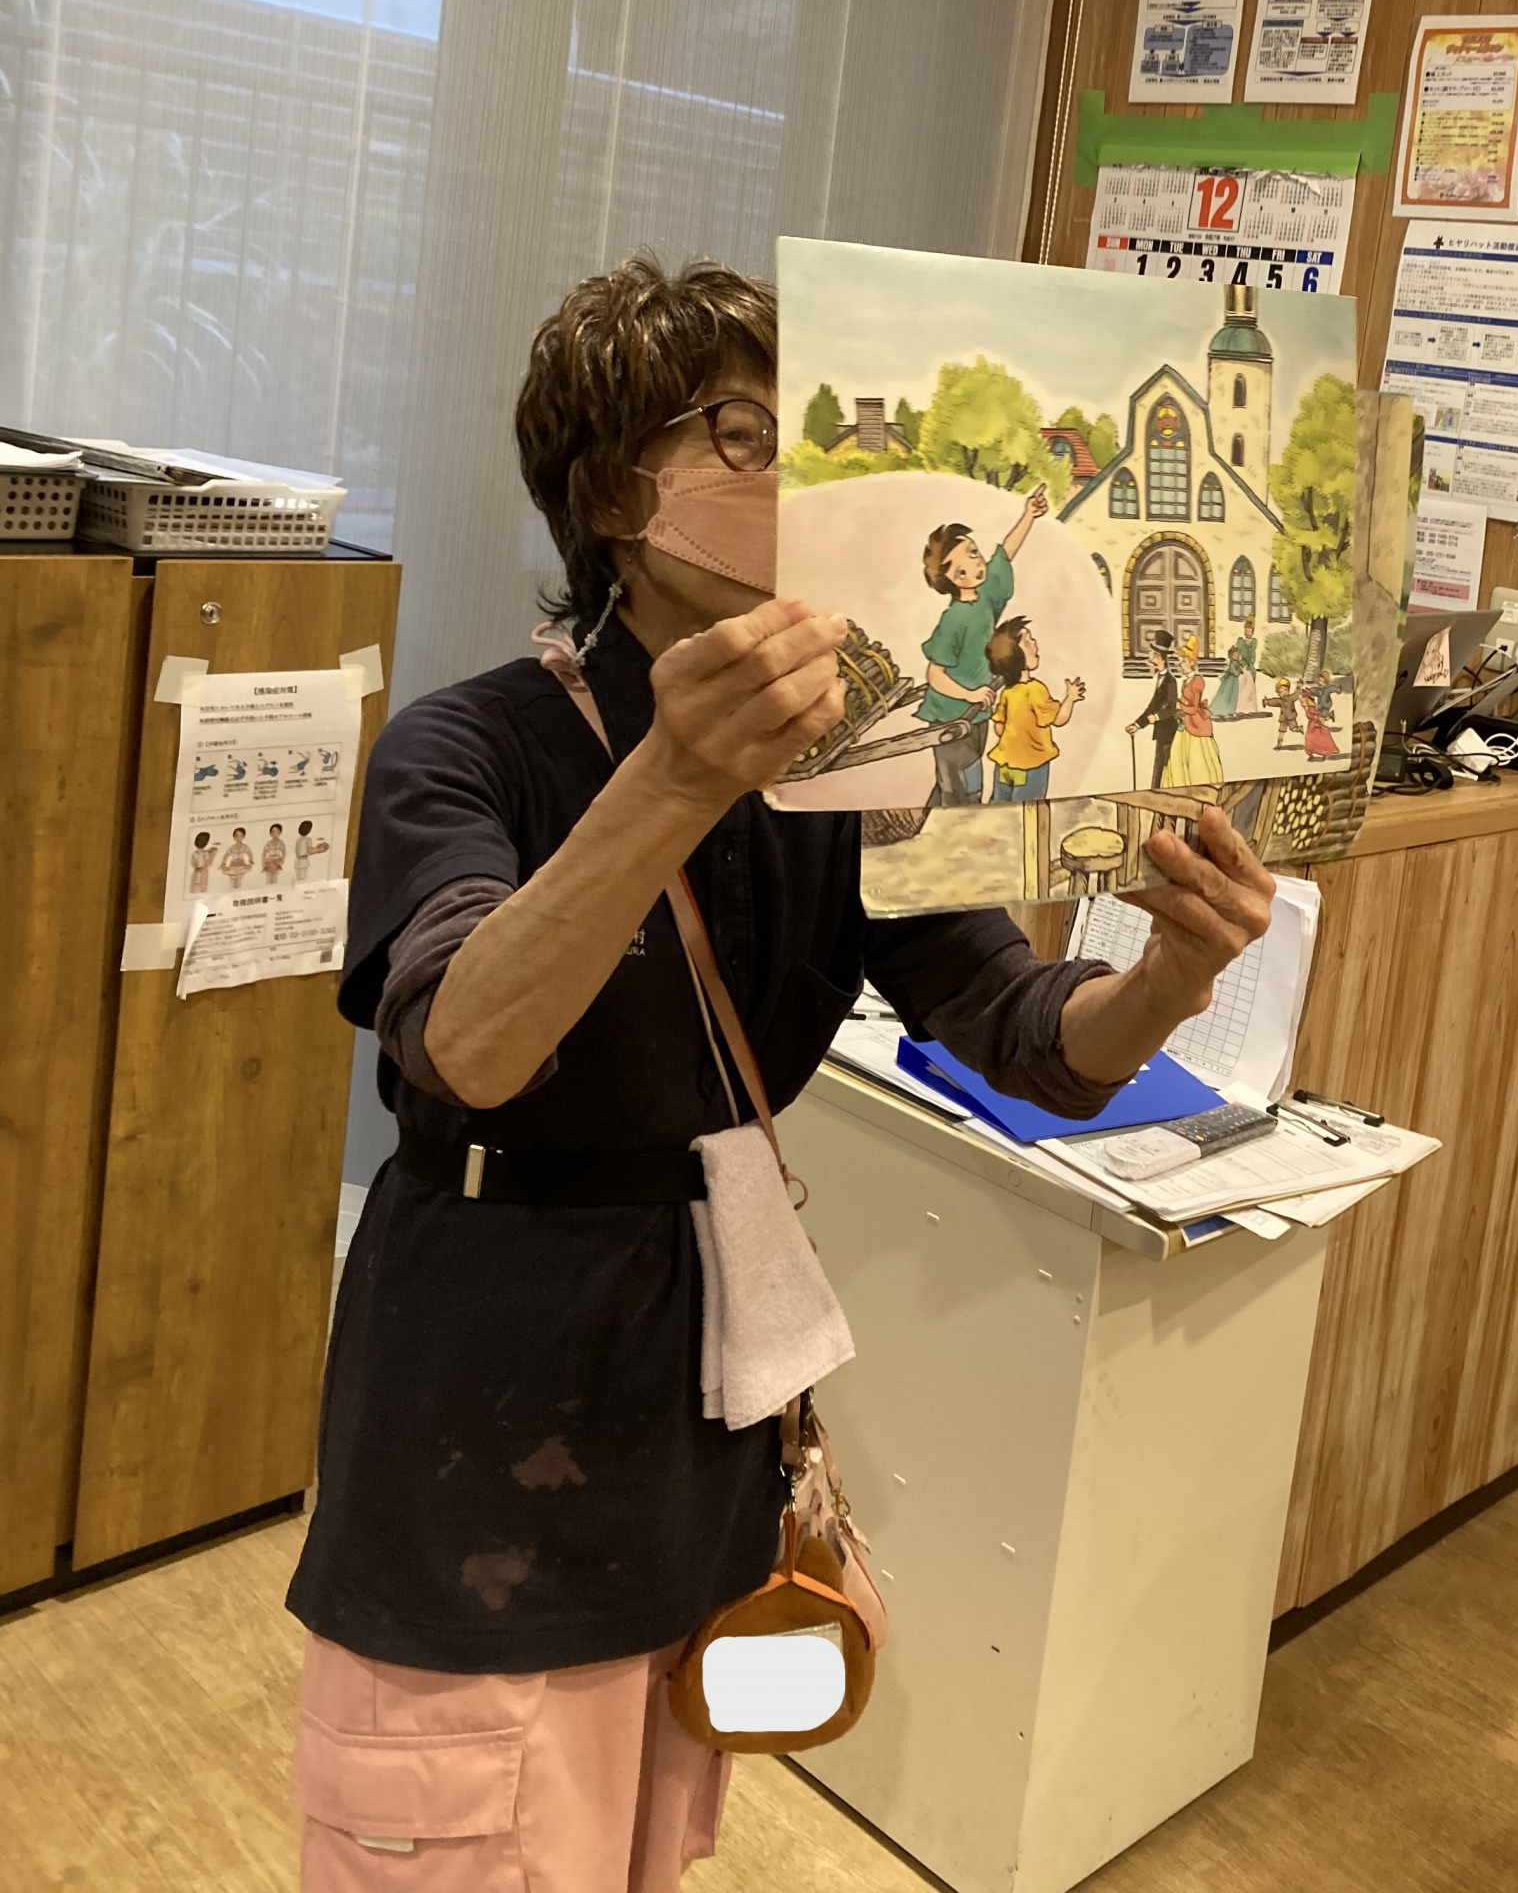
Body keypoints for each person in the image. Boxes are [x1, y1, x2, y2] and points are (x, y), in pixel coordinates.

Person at [285, 254, 1274, 1892]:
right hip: (479, 1439)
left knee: (649, 1852)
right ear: (614, 496)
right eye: (744, 435)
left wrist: (1171, 978)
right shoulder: (465, 747)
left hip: (706, 1440)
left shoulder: (852, 771)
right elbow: (465, 1045)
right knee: (466, 1836)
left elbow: (1031, 1039)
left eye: (805, 431)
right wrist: (673, 779)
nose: (797, 475)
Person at [916, 488, 1048, 804]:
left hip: (977, 711)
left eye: (974, 553)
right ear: (950, 580)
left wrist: (1029, 515)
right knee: (964, 786)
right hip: (951, 714)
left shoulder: (985, 596)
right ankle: (954, 827)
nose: (974, 568)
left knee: (957, 782)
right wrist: (969, 694)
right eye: (960, 571)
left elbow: (1005, 554)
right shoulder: (954, 619)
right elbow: (934, 674)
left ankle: (934, 821)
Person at [984, 614, 1083, 802]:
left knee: (999, 806)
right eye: (1028, 643)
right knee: (1027, 809)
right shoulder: (1035, 690)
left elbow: (999, 728)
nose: (1035, 644)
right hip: (1031, 764)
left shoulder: (1007, 692)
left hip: (1004, 764)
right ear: (1016, 658)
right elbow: (1059, 720)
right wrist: (1070, 698)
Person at [1125, 628, 1180, 787]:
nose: (1151, 659)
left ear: (1162, 659)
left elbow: (1171, 708)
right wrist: (1137, 725)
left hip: (1169, 732)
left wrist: (1156, 717)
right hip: (1161, 732)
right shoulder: (1159, 679)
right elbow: (1152, 707)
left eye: (1154, 656)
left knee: (1169, 770)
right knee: (1158, 770)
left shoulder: (1170, 681)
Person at [1166, 645, 1224, 788]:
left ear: (1192, 663)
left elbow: (1193, 708)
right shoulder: (1186, 680)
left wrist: (1180, 706)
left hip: (1195, 724)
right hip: (1185, 722)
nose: (1180, 664)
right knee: (1177, 756)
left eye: (1184, 661)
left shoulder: (1197, 680)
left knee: (1197, 761)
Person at [1211, 616, 1260, 721]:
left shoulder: (1253, 642)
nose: (1248, 633)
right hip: (1240, 665)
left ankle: (1249, 708)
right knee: (1239, 687)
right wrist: (1240, 663)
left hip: (1248, 667)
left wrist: (1249, 664)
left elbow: (1252, 656)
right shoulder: (1240, 641)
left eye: (1250, 631)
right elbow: (1238, 653)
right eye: (1246, 631)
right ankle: (1238, 708)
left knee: (1249, 687)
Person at [1301, 671, 1341, 763]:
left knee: (1322, 721)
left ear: (1325, 681)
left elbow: (1333, 688)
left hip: (1326, 706)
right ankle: (1329, 717)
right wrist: (1308, 692)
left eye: (1321, 680)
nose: (1319, 682)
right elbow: (1313, 691)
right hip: (1319, 707)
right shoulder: (1318, 690)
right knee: (1321, 719)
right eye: (1318, 680)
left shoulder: (1327, 689)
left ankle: (1323, 745)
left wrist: (1337, 690)